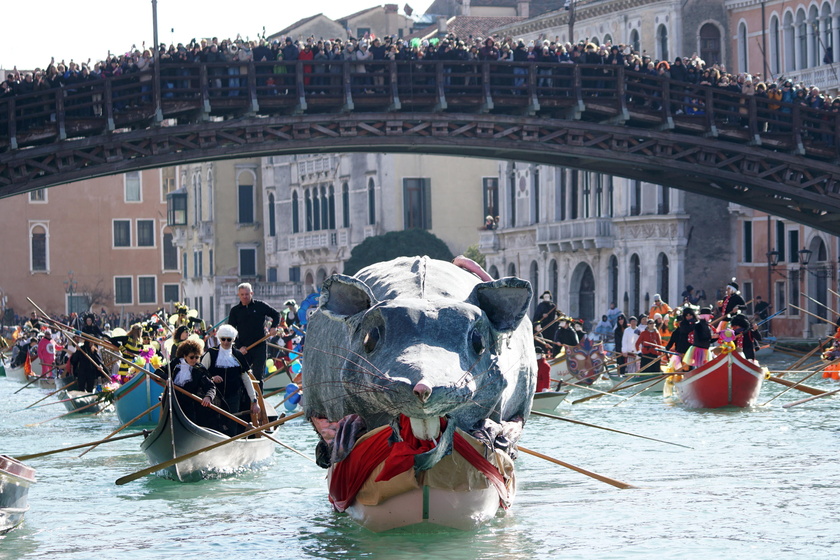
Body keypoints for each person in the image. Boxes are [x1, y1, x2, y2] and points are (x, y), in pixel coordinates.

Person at [201, 324, 261, 434]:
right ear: (219, 339)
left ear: (233, 340)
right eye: (223, 339)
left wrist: (254, 400)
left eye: (229, 339)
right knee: (214, 425)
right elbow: (200, 373)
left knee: (231, 427)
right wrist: (212, 378)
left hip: (234, 397)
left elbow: (246, 379)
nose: (225, 342)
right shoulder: (211, 353)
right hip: (215, 396)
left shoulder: (238, 355)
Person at [228, 282, 280, 382]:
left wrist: (273, 327)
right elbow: (231, 331)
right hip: (244, 348)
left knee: (258, 375)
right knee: (242, 374)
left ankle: (259, 397)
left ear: (251, 293)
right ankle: (245, 397)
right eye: (242, 294)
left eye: (247, 294)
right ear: (238, 295)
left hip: (260, 346)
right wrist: (239, 347)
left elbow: (276, 314)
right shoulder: (235, 311)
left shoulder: (260, 306)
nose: (245, 297)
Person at [168, 339, 222, 431]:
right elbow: (159, 372)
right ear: (185, 356)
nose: (194, 360)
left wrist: (208, 397)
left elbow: (210, 386)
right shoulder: (175, 364)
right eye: (192, 357)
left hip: (191, 405)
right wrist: (167, 379)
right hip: (173, 403)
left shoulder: (199, 369)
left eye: (197, 357)